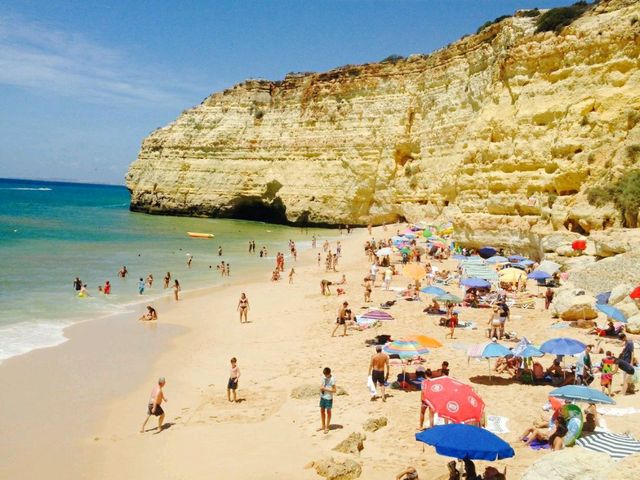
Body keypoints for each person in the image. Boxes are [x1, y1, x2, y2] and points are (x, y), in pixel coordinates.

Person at [319, 367, 336, 434]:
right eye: (325, 375)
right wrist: (321, 388)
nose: (325, 376)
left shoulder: (332, 379)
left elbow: (334, 390)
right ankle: (323, 426)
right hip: (322, 396)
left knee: (328, 412)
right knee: (322, 411)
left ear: (329, 373)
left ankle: (327, 427)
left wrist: (325, 389)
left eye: (326, 375)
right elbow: (322, 385)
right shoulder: (323, 377)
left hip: (329, 398)